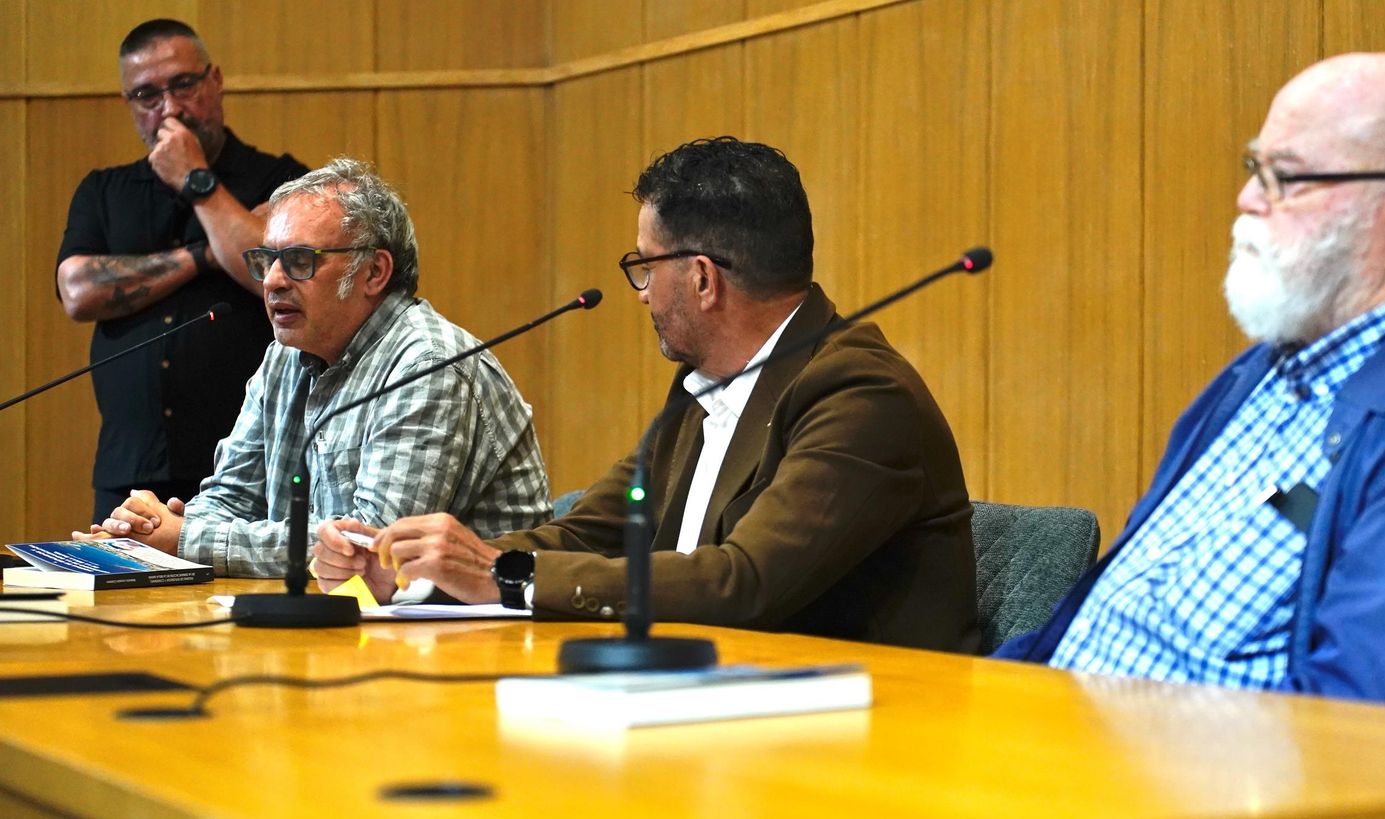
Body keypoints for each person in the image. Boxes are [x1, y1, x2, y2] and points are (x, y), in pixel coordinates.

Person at [997, 53, 1385, 717]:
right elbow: (1097, 624)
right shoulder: (1262, 376)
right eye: (1256, 169)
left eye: (1287, 177)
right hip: (1047, 747)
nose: (1248, 199)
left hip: (1173, 807)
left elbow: (1358, 743)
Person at [313, 137, 979, 652]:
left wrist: (503, 576)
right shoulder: (702, 389)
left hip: (865, 742)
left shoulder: (859, 393)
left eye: (643, 266)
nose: (640, 293)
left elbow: (745, 583)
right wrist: (417, 576)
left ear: (700, 279)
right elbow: (588, 533)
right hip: (715, 704)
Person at [79, 159, 552, 577]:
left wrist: (183, 538)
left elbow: (367, 552)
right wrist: (148, 529)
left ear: (374, 273)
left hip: (471, 637)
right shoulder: (283, 356)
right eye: (266, 261)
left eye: (300, 261)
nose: (274, 281)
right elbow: (232, 496)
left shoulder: (428, 365)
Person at [57, 19, 310, 522]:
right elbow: (78, 291)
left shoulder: (283, 180)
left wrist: (197, 182)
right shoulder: (104, 191)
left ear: (214, 80)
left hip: (248, 467)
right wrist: (205, 254)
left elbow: (276, 275)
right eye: (147, 95)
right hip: (130, 468)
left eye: (183, 85)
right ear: (129, 103)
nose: (168, 108)